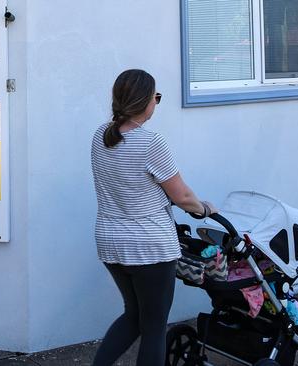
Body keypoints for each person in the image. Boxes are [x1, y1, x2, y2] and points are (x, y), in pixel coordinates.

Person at [90, 69, 217, 366]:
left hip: (111, 242)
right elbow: (182, 197)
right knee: (154, 327)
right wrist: (206, 209)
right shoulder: (150, 142)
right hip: (149, 247)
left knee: (134, 315)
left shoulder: (100, 136)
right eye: (156, 98)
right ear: (145, 101)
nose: (156, 104)